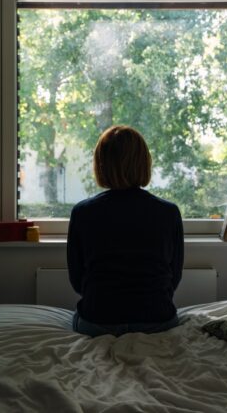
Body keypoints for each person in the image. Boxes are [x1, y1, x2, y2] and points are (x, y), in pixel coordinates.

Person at [67, 125, 184, 337]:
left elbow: (77, 281)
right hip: (158, 320)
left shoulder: (83, 213)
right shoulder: (169, 213)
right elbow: (174, 277)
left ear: (101, 165)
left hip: (98, 320)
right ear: (144, 163)